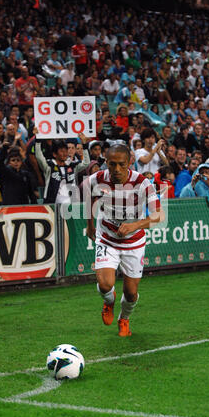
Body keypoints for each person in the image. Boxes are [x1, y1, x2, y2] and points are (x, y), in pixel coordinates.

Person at [85, 144, 164, 337]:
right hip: (107, 238)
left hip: (133, 243)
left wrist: (134, 225)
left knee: (130, 293)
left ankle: (124, 318)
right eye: (112, 165)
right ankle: (109, 301)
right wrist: (90, 224)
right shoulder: (97, 179)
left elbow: (159, 216)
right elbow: (88, 194)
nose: (117, 170)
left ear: (130, 162)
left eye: (122, 164)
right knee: (105, 284)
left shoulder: (142, 183)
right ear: (106, 163)